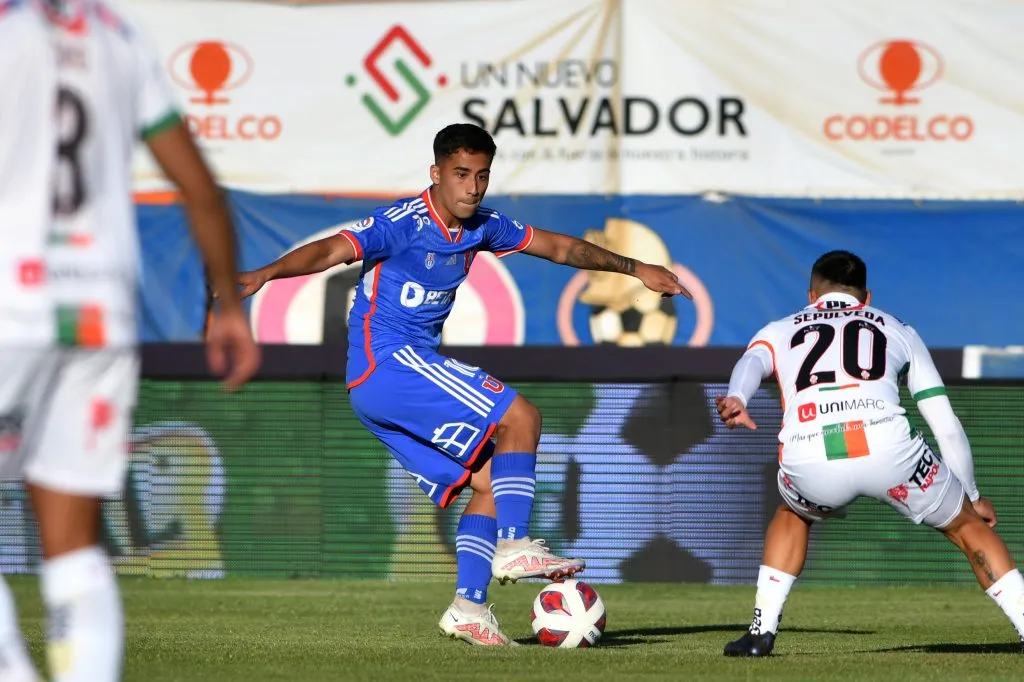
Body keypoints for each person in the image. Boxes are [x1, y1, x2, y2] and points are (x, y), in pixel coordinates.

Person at [235, 122, 691, 645]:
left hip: (376, 387)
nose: (472, 187)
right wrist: (265, 273)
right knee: (523, 417)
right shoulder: (402, 222)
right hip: (389, 364)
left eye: (482, 175)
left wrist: (635, 268)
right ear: (436, 174)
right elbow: (331, 251)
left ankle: (468, 607)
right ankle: (515, 544)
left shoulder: (483, 225)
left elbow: (560, 248)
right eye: (460, 174)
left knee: (489, 483)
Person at [0, 1, 261, 680]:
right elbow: (201, 189)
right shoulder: (116, 36)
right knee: (73, 547)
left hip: (8, 308)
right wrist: (230, 304)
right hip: (99, 316)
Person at [715, 250, 1024, 657]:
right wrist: (970, 493)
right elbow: (944, 421)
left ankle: (760, 634)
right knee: (968, 526)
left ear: (812, 294)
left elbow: (752, 361)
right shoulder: (899, 329)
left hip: (812, 453)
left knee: (792, 514)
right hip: (888, 450)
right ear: (866, 296)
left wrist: (738, 396)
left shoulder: (780, 328)